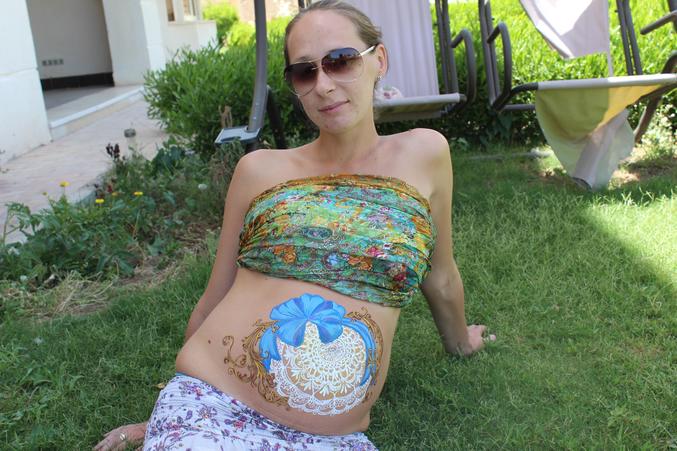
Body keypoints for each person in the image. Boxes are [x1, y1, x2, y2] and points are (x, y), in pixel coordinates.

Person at [94, 1, 495, 449]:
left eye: (340, 61)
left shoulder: (424, 153)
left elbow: (440, 275)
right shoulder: (260, 170)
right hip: (210, 406)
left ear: (378, 60)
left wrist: (461, 342)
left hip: (330, 439)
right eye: (305, 72)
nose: (324, 85)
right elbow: (215, 298)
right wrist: (167, 415)